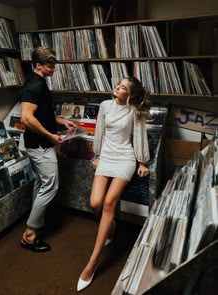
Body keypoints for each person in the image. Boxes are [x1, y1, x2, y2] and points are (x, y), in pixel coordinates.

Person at [77, 76, 151, 291]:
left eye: (123, 87)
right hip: (107, 157)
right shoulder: (105, 105)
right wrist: (97, 154)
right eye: (119, 83)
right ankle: (112, 226)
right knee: (95, 203)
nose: (118, 86)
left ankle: (92, 263)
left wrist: (142, 161)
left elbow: (139, 137)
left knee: (109, 203)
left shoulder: (135, 111)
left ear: (129, 94)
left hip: (125, 159)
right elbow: (100, 131)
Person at [19, 47, 76, 252]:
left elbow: (41, 114)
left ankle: (38, 220)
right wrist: (51, 136)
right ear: (39, 65)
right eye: (50, 66)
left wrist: (61, 121)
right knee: (50, 186)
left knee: (41, 183)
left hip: (40, 144)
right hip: (40, 146)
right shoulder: (33, 86)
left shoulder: (40, 82)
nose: (53, 69)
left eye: (54, 65)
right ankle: (30, 234)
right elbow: (27, 118)